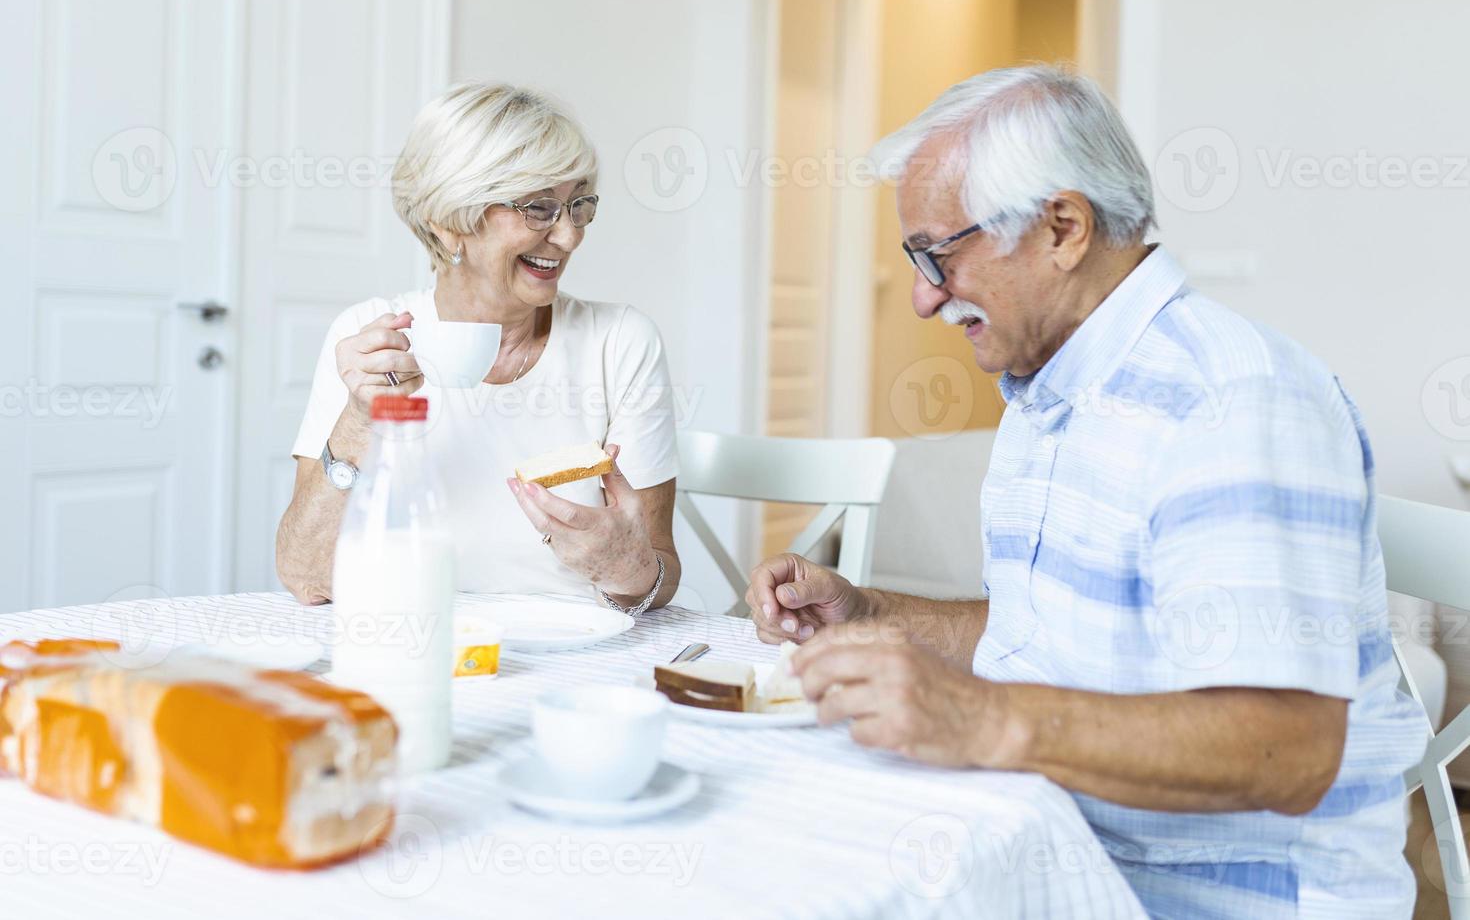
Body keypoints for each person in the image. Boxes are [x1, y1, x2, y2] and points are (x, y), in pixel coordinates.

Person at [745, 66, 1424, 918]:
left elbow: (1287, 747)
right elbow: (1068, 638)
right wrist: (876, 617)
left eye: (937, 255)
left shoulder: (1229, 402)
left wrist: (984, 719)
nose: (922, 298)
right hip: (1062, 852)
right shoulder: (1058, 382)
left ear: (1063, 227)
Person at [277, 83, 680, 614]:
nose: (569, 237)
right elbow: (307, 577)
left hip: (574, 658)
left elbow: (660, 573)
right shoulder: (370, 342)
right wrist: (358, 421)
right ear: (450, 226)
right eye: (539, 209)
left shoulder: (620, 342)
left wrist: (628, 567)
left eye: (578, 205)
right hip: (410, 645)